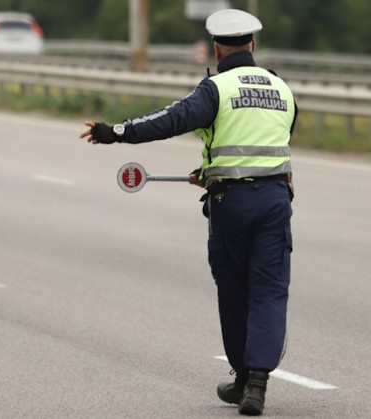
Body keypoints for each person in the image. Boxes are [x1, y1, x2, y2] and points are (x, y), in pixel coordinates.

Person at [79, 8, 297, 417]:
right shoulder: (281, 89)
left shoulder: (216, 88)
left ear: (216, 47)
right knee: (268, 290)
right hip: (274, 202)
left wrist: (116, 133)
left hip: (232, 205)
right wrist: (212, 169)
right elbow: (271, 142)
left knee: (234, 291)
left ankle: (241, 377)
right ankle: (257, 384)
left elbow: (171, 120)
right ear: (253, 44)